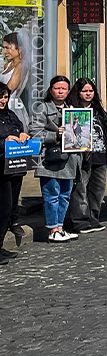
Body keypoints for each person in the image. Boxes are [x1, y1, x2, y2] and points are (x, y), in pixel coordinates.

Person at [30, 76, 81, 243]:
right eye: (57, 88)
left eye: (64, 88)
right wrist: (55, 134)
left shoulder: (72, 108)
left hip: (68, 158)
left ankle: (60, 227)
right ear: (51, 90)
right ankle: (53, 228)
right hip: (49, 159)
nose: (60, 91)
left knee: (65, 194)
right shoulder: (41, 108)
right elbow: (34, 133)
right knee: (51, 194)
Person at [65, 78, 107, 234]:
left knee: (98, 189)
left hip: (101, 155)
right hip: (83, 156)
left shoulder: (99, 110)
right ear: (78, 92)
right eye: (85, 91)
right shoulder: (72, 110)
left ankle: (93, 218)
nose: (88, 94)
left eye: (91, 91)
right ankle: (80, 221)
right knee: (80, 189)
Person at [0, 86, 29, 263]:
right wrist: (4, 141)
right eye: (0, 97)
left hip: (14, 167)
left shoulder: (10, 114)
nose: (3, 101)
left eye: (5, 97)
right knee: (3, 208)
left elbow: (19, 129)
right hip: (1, 170)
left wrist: (23, 135)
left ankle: (1, 245)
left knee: (10, 208)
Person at [0, 30, 31, 126]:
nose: (5, 51)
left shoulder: (21, 66)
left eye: (8, 48)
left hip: (11, 106)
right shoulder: (7, 65)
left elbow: (9, 88)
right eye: (4, 48)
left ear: (19, 49)